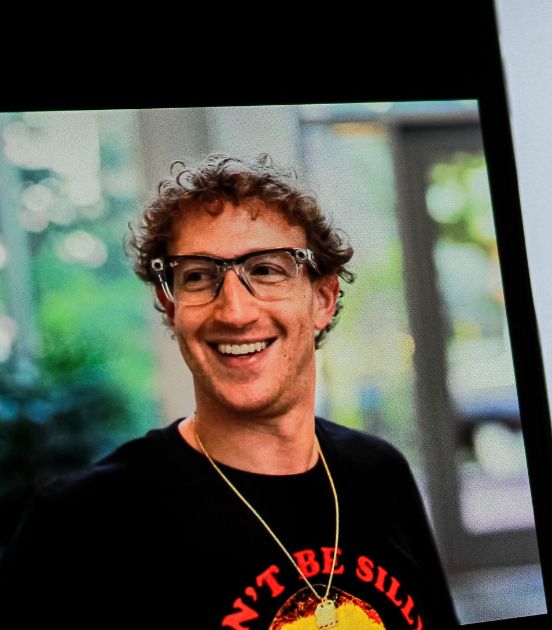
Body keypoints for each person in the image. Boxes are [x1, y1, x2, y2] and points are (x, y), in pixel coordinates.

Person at [0, 154, 459, 629]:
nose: (235, 311)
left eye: (266, 270)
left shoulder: (379, 474)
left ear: (322, 299)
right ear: (170, 303)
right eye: (199, 276)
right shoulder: (81, 524)